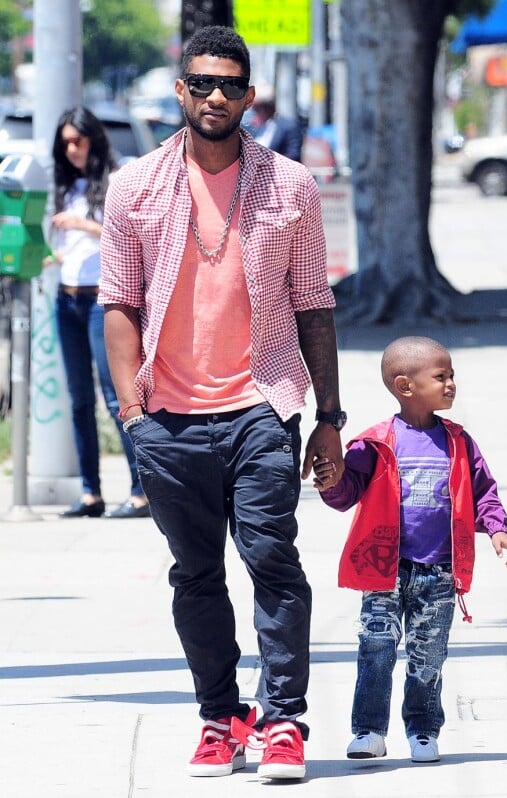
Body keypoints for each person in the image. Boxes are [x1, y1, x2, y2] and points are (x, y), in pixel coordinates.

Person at [98, 25, 345, 781]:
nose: (214, 96)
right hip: (167, 416)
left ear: (249, 95)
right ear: (181, 89)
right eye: (201, 83)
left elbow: (313, 305)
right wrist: (132, 412)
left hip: (261, 404)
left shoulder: (291, 187)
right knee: (196, 572)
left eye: (229, 85)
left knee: (271, 557)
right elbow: (119, 302)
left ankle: (283, 722)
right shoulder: (134, 186)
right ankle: (220, 715)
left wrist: (328, 419)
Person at [314, 336, 507, 763]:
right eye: (441, 376)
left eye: (452, 376)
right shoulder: (376, 442)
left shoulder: (459, 442)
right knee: (376, 649)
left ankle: (423, 731)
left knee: (428, 656)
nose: (451, 385)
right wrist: (332, 480)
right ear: (405, 386)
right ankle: (368, 730)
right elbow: (347, 491)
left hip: (441, 573)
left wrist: (498, 530)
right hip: (384, 569)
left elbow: (483, 493)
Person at [48, 106, 150, 520]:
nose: (72, 150)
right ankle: (91, 492)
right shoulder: (64, 185)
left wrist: (84, 225)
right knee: (77, 400)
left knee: (117, 398)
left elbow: (130, 236)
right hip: (66, 297)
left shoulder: (115, 181)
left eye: (79, 140)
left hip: (103, 300)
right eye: (66, 143)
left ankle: (141, 490)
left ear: (94, 139)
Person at [245, 81, 303, 161]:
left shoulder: (288, 126)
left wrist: (268, 163)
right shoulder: (249, 126)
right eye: (255, 109)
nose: (257, 112)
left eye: (259, 107)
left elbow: (293, 155)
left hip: (278, 170)